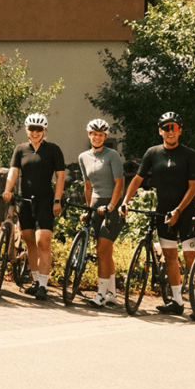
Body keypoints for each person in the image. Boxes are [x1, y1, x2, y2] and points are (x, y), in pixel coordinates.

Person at [120, 111, 195, 316]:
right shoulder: (152, 153)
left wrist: (179, 211)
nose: (170, 132)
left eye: (174, 127)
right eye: (166, 128)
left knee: (192, 259)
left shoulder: (190, 154)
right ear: (160, 131)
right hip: (163, 212)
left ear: (180, 131)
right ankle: (177, 302)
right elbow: (137, 179)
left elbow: (193, 188)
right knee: (170, 256)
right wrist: (125, 201)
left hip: (186, 212)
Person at [2, 113, 66, 301]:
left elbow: (60, 176)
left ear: (44, 131)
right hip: (24, 201)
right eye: (32, 129)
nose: (35, 132)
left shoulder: (53, 150)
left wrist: (57, 200)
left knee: (42, 241)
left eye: (39, 129)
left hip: (46, 201)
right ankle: (36, 281)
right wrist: (7, 190)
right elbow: (13, 172)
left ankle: (44, 285)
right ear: (27, 130)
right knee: (29, 240)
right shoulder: (20, 149)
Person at [77, 119, 125, 307]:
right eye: (94, 134)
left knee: (102, 250)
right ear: (89, 135)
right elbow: (87, 186)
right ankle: (111, 294)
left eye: (101, 135)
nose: (97, 137)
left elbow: (119, 184)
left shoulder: (112, 155)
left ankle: (101, 295)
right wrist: (88, 209)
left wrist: (112, 206)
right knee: (105, 251)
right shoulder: (83, 157)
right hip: (96, 205)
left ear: (105, 137)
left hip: (111, 205)